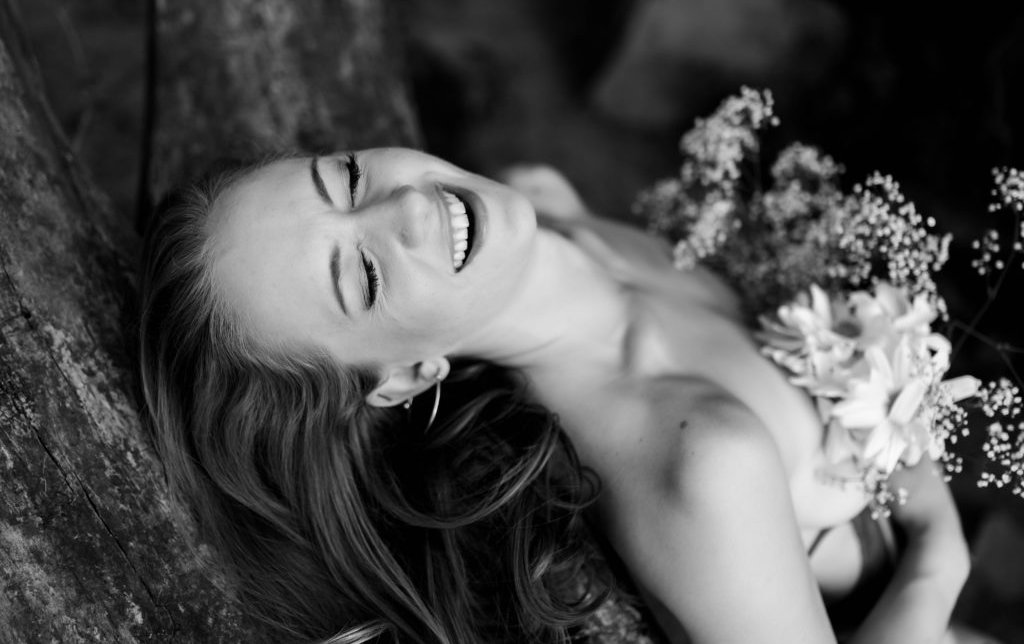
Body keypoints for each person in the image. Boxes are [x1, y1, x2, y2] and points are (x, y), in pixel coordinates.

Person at [137, 148, 977, 644]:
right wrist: (940, 546)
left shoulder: (539, 195)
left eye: (347, 177)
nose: (409, 208)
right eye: (361, 273)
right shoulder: (700, 459)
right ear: (401, 377)